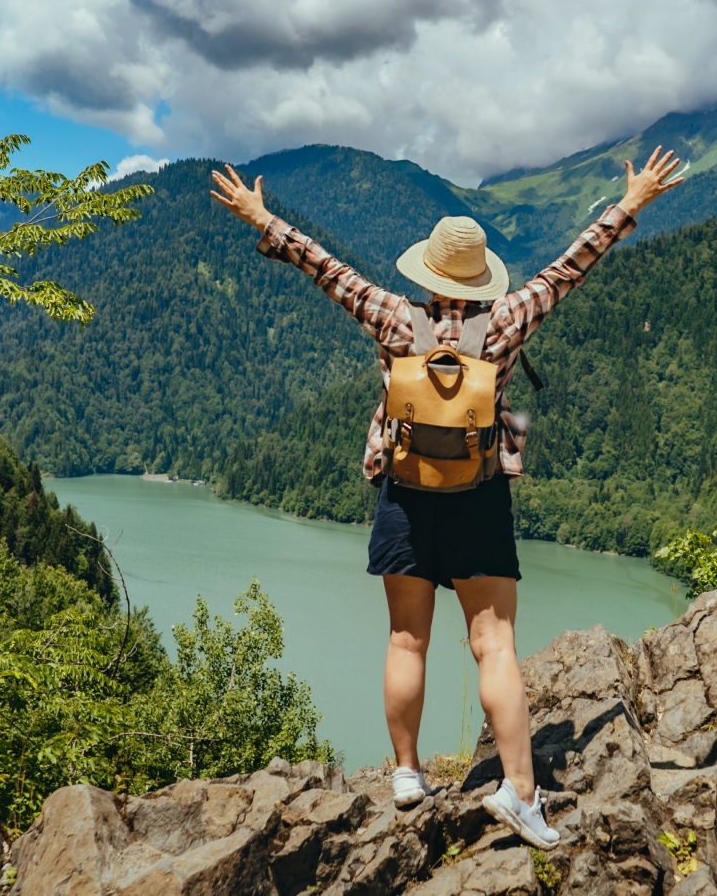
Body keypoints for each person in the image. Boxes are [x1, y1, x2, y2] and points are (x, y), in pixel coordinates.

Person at [210, 146, 682, 849]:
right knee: (494, 645)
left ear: (427, 272)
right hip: (479, 497)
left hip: (404, 494)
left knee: (407, 638)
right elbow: (570, 267)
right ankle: (521, 793)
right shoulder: (509, 319)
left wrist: (263, 217)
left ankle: (406, 773)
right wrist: (631, 202)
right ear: (480, 277)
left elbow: (326, 269)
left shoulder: (393, 317)